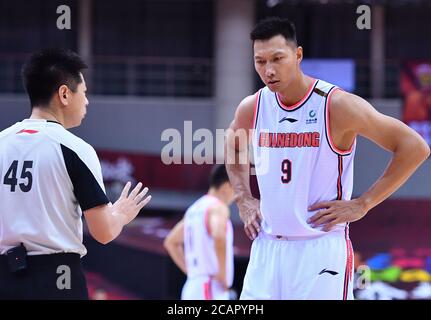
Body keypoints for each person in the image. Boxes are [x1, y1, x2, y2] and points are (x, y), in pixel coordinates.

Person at [225, 17, 430, 300]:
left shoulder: (336, 105)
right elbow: (232, 144)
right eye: (260, 62)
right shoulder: (254, 106)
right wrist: (243, 197)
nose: (269, 70)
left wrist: (364, 203)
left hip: (319, 249)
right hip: (266, 249)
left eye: (277, 58)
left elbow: (415, 147)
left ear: (298, 55)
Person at [0, 49, 152, 299]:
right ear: (64, 94)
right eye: (84, 93)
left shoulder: (2, 142)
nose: (87, 101)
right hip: (56, 279)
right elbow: (103, 232)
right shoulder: (75, 148)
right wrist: (121, 214)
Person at [164, 165, 235, 300]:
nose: (236, 195)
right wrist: (223, 275)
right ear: (227, 185)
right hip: (210, 287)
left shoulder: (194, 209)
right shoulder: (218, 208)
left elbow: (170, 242)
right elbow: (219, 236)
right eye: (235, 188)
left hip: (192, 286)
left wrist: (192, 272)